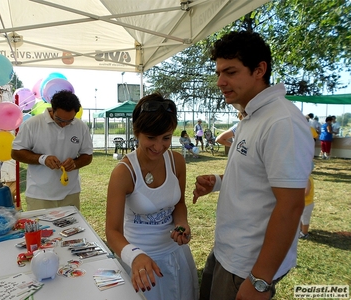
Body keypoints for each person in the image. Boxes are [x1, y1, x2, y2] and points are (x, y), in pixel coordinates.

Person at [193, 31, 314, 300]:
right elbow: (257, 177)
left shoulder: (281, 122)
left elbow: (291, 205)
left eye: (230, 72)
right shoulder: (251, 115)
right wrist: (219, 181)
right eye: (218, 72)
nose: (220, 81)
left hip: (247, 266)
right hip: (228, 251)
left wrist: (260, 280)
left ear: (260, 70)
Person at [106, 93, 199, 300]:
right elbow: (112, 232)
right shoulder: (124, 172)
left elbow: (179, 204)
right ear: (137, 133)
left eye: (166, 138)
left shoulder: (176, 162)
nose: (158, 147)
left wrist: (182, 224)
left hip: (175, 255)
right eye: (151, 138)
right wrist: (135, 256)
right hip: (139, 261)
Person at [11, 90, 93, 211]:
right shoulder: (32, 124)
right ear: (52, 110)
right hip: (39, 194)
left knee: (71, 229)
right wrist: (42, 159)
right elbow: (16, 152)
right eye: (59, 119)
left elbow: (87, 155)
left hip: (70, 193)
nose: (64, 124)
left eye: (69, 120)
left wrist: (75, 163)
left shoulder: (80, 126)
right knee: (41, 229)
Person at [299, 174, 314, 239]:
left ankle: (304, 233)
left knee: (305, 219)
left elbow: (306, 192)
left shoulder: (307, 179)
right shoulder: (304, 177)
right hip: (302, 203)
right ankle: (300, 230)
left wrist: (296, 194)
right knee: (300, 218)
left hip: (307, 204)